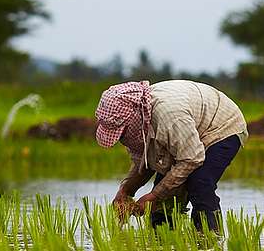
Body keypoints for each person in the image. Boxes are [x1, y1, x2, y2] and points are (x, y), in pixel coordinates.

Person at [95, 80, 248, 232]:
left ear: (134, 118)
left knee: (199, 182)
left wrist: (154, 196)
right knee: (164, 198)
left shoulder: (168, 116)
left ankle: (210, 237)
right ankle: (162, 239)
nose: (122, 139)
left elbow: (191, 159)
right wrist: (125, 191)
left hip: (221, 126)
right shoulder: (141, 121)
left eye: (121, 132)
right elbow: (144, 163)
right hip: (187, 132)